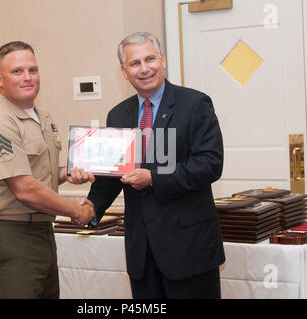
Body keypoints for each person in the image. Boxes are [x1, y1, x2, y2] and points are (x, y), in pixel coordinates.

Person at [86, 32, 225, 299]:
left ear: (162, 60)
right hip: (142, 252)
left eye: (150, 59)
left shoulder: (195, 104)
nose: (144, 68)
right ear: (124, 72)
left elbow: (210, 164)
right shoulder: (118, 114)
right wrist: (90, 206)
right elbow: (114, 172)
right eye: (135, 63)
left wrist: (154, 178)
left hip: (189, 249)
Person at [0, 41, 95, 299]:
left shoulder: (42, 116)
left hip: (40, 232)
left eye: (33, 70)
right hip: (10, 236)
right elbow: (25, 189)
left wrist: (65, 174)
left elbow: (36, 174)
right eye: (17, 71)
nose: (27, 77)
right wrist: (77, 211)